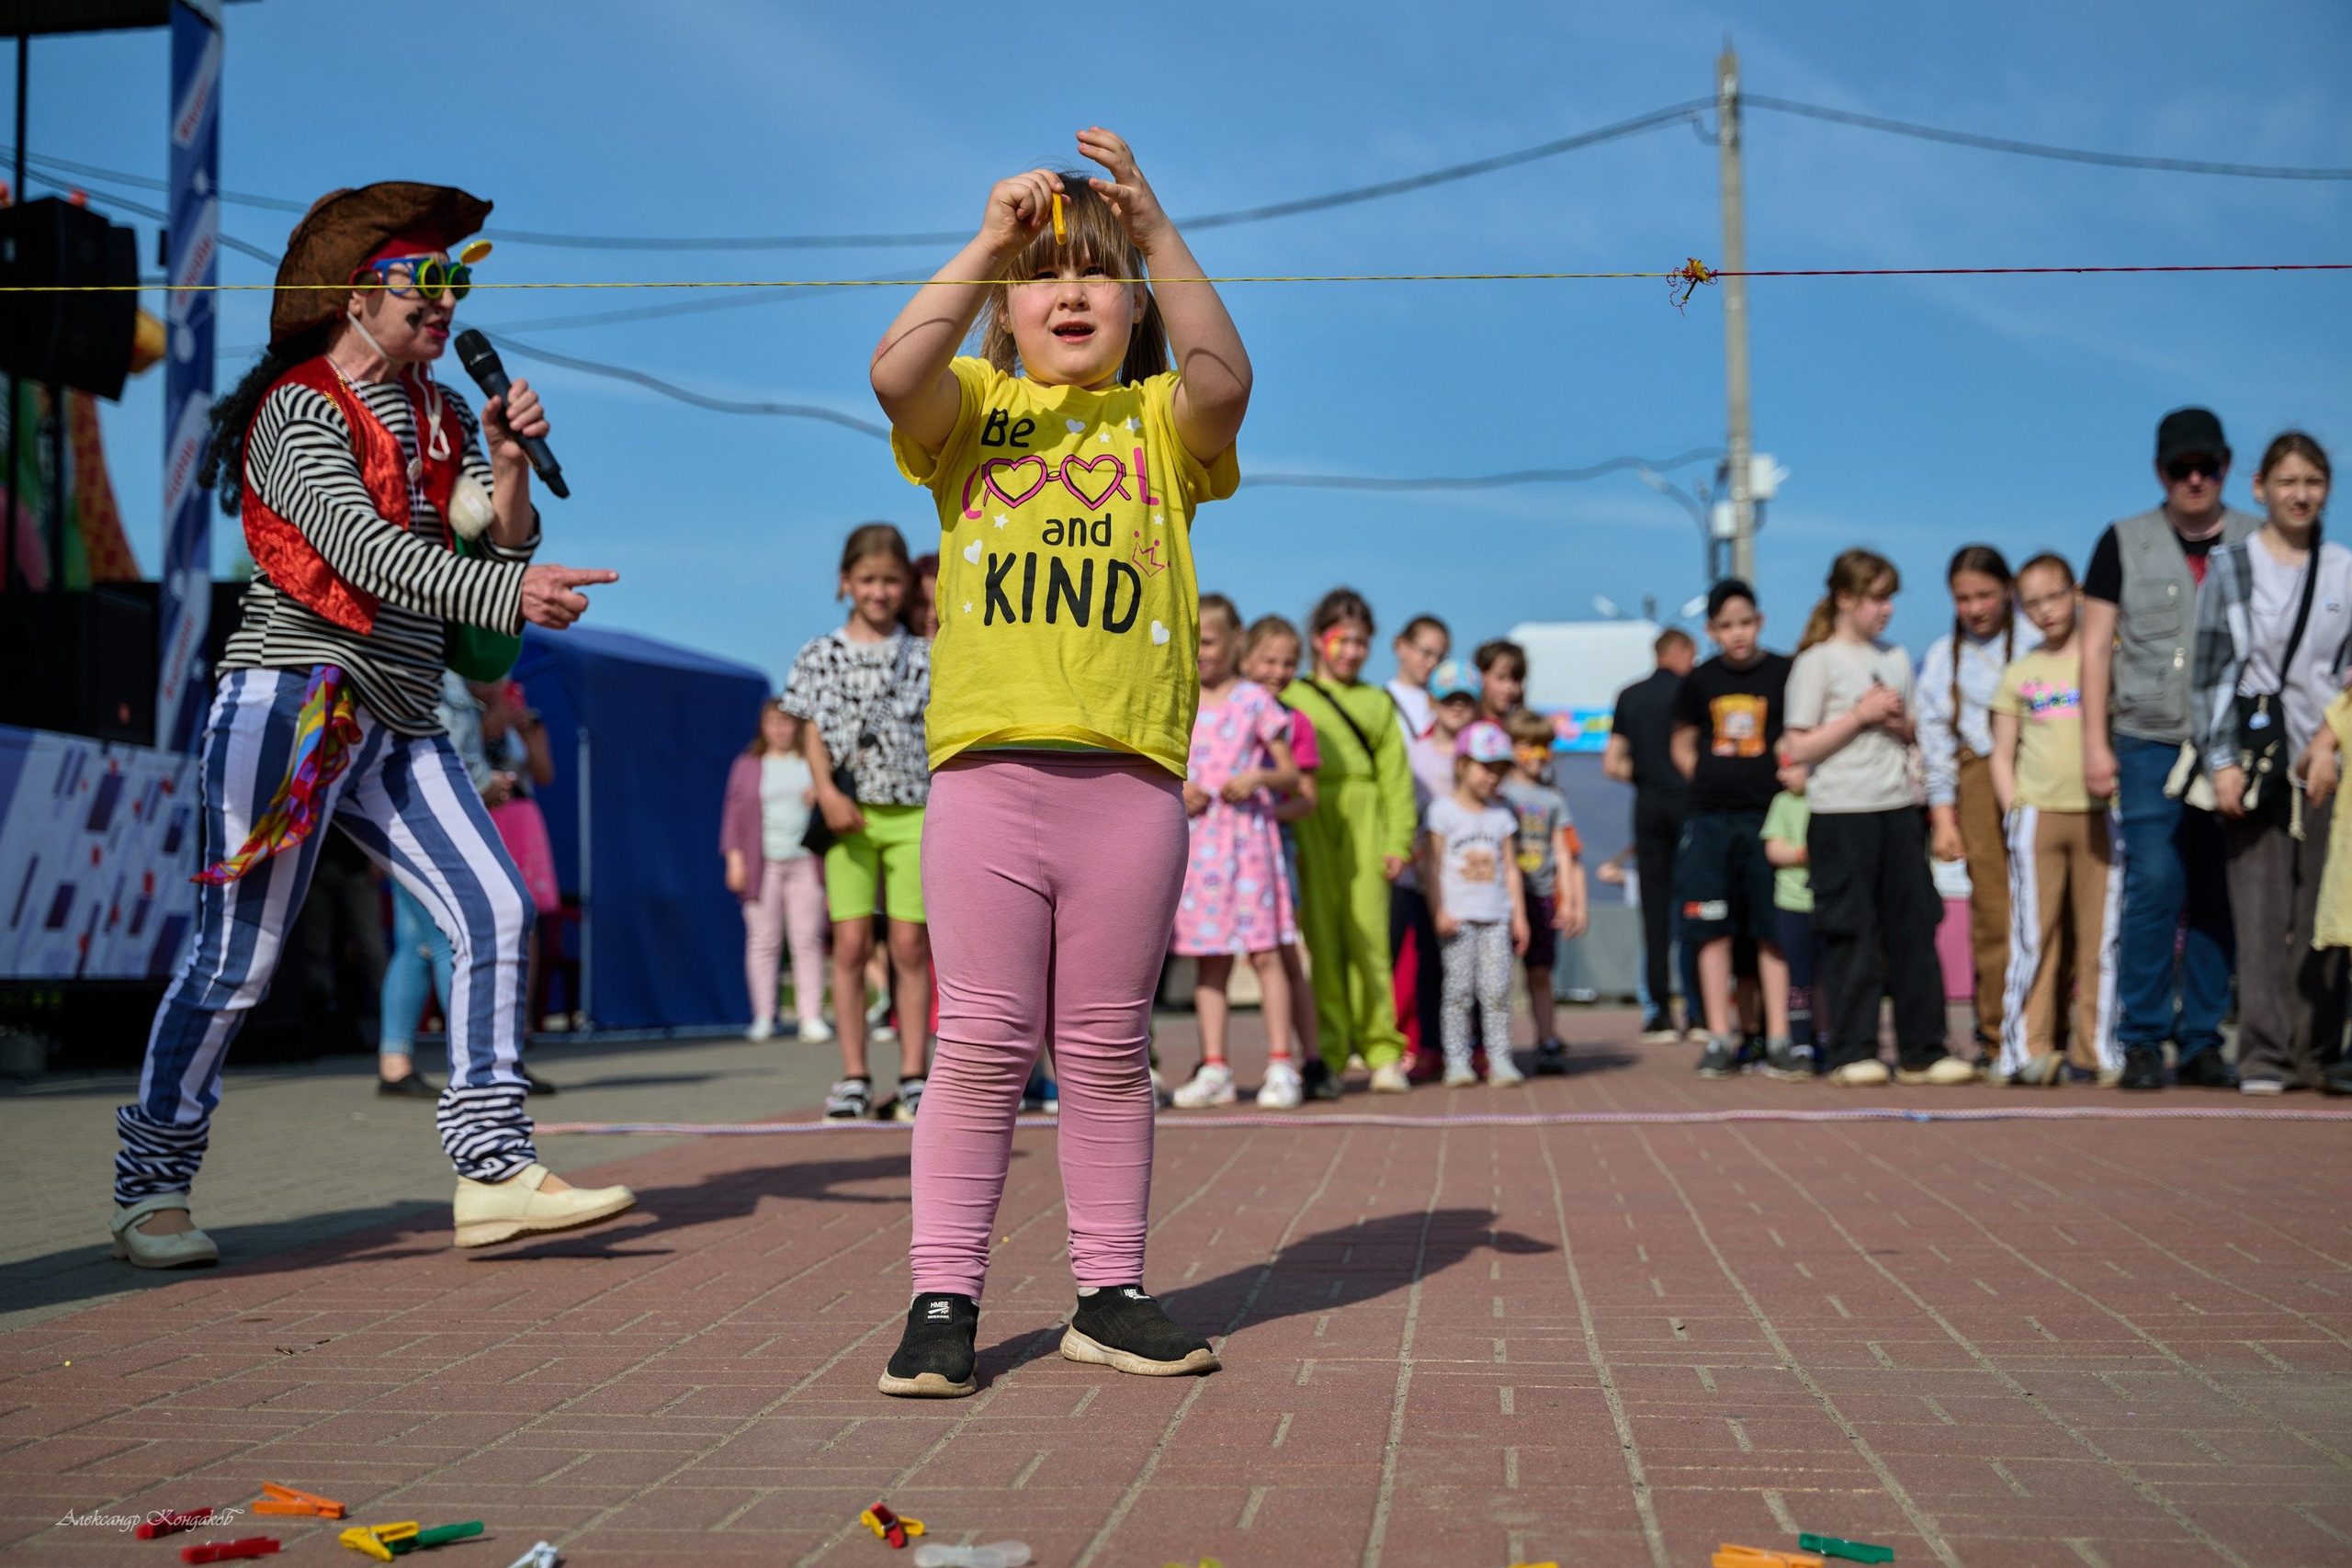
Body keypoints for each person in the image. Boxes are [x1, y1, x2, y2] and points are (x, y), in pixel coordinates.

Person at [111, 183, 634, 1269]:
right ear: (358, 293)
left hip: (397, 716)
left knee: (494, 908)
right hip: (293, 702)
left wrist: (507, 465)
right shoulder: (296, 408)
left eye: (461, 279)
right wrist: (513, 592)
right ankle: (150, 1186)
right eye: (426, 279)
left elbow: (483, 553)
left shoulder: (443, 414)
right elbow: (365, 551)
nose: (448, 299)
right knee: (237, 961)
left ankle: (491, 1170)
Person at [870, 130, 1248, 1394]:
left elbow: (1227, 378)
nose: (1071, 293)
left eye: (1098, 275)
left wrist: (1155, 229)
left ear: (1132, 300)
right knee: (977, 1040)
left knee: (1102, 1045)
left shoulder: (1161, 420)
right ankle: (943, 1299)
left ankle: (1109, 1290)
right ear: (1005, 310)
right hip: (986, 780)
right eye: (1045, 276)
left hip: (1131, 785)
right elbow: (893, 372)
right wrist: (985, 244)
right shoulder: (973, 413)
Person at [2080, 407, 2259, 1091]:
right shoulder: (2122, 541)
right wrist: (2095, 743)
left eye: (2206, 466)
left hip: (2231, 743)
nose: (2194, 479)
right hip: (2147, 739)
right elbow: (2096, 646)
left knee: (2219, 885)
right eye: (2180, 468)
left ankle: (2206, 1038)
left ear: (2225, 465)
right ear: (2160, 471)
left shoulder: (2257, 539)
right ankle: (2144, 1037)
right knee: (2156, 880)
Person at [2193, 434, 2348, 1095]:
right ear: (2259, 487)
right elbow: (2207, 673)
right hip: (2254, 754)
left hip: (2328, 754)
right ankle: (2262, 1052)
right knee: (2258, 906)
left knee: (2325, 908)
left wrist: (2331, 743)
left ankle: (2321, 1049)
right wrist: (2220, 761)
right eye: (2287, 481)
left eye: (2313, 481)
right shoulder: (2232, 564)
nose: (2300, 493)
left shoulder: (2344, 566)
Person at [1783, 549, 1971, 1087]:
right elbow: (1799, 746)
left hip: (1898, 809)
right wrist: (1859, 716)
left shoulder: (1895, 658)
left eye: (1891, 597)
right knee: (1850, 933)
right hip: (1840, 812)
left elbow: (1918, 736)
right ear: (1846, 599)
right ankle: (1852, 1049)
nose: (1886, 609)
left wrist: (1899, 723)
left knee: (1914, 930)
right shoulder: (1816, 661)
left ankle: (1922, 1049)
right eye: (1876, 598)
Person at [784, 523, 935, 1123]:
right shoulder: (819, 653)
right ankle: (852, 1073)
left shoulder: (924, 654)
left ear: (907, 586)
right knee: (849, 943)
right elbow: (809, 728)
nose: (879, 591)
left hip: (914, 810)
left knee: (910, 943)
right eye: (868, 579)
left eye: (891, 580)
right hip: (846, 815)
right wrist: (824, 793)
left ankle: (914, 1072)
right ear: (846, 583)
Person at [1990, 553, 2121, 1087]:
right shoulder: (2020, 672)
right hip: (2038, 816)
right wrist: (2015, 809)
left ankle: (2099, 1049)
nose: (2046, 610)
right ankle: (2026, 1049)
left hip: (2102, 816)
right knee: (2033, 936)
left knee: (2102, 938)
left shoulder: (2106, 658)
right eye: (2032, 602)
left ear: (2077, 593)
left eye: (2054, 595)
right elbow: (2001, 751)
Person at [1170, 595, 1302, 1110]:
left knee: (1266, 953)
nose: (1199, 652)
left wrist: (1259, 776)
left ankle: (1280, 1064)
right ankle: (1215, 1068)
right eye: (1193, 641)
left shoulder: (1255, 701)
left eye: (1207, 640)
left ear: (1233, 641)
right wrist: (1180, 787)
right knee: (1210, 959)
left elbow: (1291, 774)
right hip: (1201, 849)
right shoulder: (1178, 697)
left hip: (1248, 844)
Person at [1287, 589, 1419, 1097]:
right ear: (1320, 640)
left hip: (1366, 817)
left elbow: (1396, 779)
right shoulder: (1292, 696)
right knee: (1322, 940)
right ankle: (1332, 1052)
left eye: (1362, 642)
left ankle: (1384, 1050)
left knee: (1369, 938)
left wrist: (1398, 841)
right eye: (1343, 640)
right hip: (1309, 816)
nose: (1352, 652)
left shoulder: (1376, 701)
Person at [1670, 581, 1792, 1079]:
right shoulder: (1698, 680)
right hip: (1710, 819)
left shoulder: (1784, 673)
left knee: (1772, 927)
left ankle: (1780, 1036)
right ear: (1711, 630)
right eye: (1726, 626)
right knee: (1711, 927)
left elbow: (1792, 735)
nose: (1737, 634)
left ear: (1759, 621)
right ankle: (1720, 1036)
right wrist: (1703, 780)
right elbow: (1681, 741)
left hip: (1768, 816)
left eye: (1745, 622)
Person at [1918, 546, 2030, 1061]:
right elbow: (1935, 742)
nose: (1975, 608)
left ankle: (2043, 1030)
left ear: (2008, 590)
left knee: (2048, 906)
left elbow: (2070, 699)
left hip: (2042, 768)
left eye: (1985, 594)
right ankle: (1993, 1034)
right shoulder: (1944, 656)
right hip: (1977, 777)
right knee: (1992, 911)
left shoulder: (2037, 642)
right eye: (1963, 598)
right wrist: (1944, 816)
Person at [379, 670, 495, 1096]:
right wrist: (487, 783)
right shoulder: (441, 674)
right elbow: (439, 755)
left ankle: (395, 1063)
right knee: (453, 940)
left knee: (416, 945)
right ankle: (480, 1070)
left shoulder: (417, 667)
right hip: (430, 822)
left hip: (403, 817)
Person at [1421, 721, 1531, 1087]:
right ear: (1462, 764)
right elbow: (1431, 866)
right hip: (1459, 919)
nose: (1492, 777)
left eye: (1500, 770)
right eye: (1485, 767)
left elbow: (1512, 870)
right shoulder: (1441, 812)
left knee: (1498, 991)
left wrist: (1520, 917)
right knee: (1458, 991)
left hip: (1496, 916)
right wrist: (1439, 909)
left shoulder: (1502, 816)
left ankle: (1500, 1058)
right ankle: (1457, 1061)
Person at [1242, 615, 1322, 1102]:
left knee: (1285, 954)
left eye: (1289, 662)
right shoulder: (1222, 711)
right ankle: (1215, 1063)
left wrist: (1262, 808)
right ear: (1246, 659)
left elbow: (1307, 797)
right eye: (1269, 659)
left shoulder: (1297, 722)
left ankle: (1309, 1059)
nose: (1278, 670)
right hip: (1222, 848)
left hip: (1274, 846)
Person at [724, 698, 832, 1044]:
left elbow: (835, 803)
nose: (780, 728)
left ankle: (810, 1016)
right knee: (762, 940)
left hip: (806, 862)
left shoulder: (812, 761)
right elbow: (733, 815)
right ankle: (763, 1016)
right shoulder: (747, 765)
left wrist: (821, 798)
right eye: (773, 721)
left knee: (807, 939)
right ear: (763, 726)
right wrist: (734, 859)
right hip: (763, 864)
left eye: (786, 721)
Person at [1607, 627, 1696, 1043]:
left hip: (1647, 805)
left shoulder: (1629, 695)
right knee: (1697, 905)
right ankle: (1699, 1012)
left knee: (1654, 912)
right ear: (1680, 652)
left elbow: (1612, 764)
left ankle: (1657, 1012)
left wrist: (1645, 777)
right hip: (1689, 803)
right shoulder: (1693, 690)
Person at [1394, 659, 1480, 1077]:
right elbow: (1406, 810)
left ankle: (1477, 1046)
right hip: (1424, 877)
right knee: (1429, 963)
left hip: (1473, 880)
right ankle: (1430, 1046)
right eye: (1449, 699)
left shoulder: (1483, 750)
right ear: (1433, 702)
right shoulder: (1417, 754)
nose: (1458, 708)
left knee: (1476, 967)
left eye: (1466, 700)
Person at [1501, 707, 1588, 1074]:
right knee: (1497, 977)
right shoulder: (1500, 792)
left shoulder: (1553, 799)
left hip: (1540, 896)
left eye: (1542, 747)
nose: (1535, 755)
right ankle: (1495, 1046)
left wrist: (1569, 902)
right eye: (1525, 746)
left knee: (1540, 973)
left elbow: (1563, 855)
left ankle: (1548, 1040)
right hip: (1502, 898)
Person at [1757, 746, 1821, 1077]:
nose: (1782, 775)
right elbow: (1773, 849)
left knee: (1828, 976)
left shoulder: (1828, 800)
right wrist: (1805, 852)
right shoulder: (1782, 803)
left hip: (1827, 903)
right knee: (1799, 979)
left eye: (1790, 766)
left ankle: (1826, 1038)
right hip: (1792, 904)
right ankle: (1799, 1045)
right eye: (1780, 768)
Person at [1386, 615, 1450, 741]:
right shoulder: (1382, 700)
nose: (1433, 662)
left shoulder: (1446, 704)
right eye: (1426, 653)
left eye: (1440, 657)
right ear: (1401, 646)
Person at [1474, 637, 1528, 727]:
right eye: (1501, 677)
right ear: (1480, 675)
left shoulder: (1525, 729)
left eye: (1516, 679)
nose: (1509, 687)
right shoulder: (1468, 728)